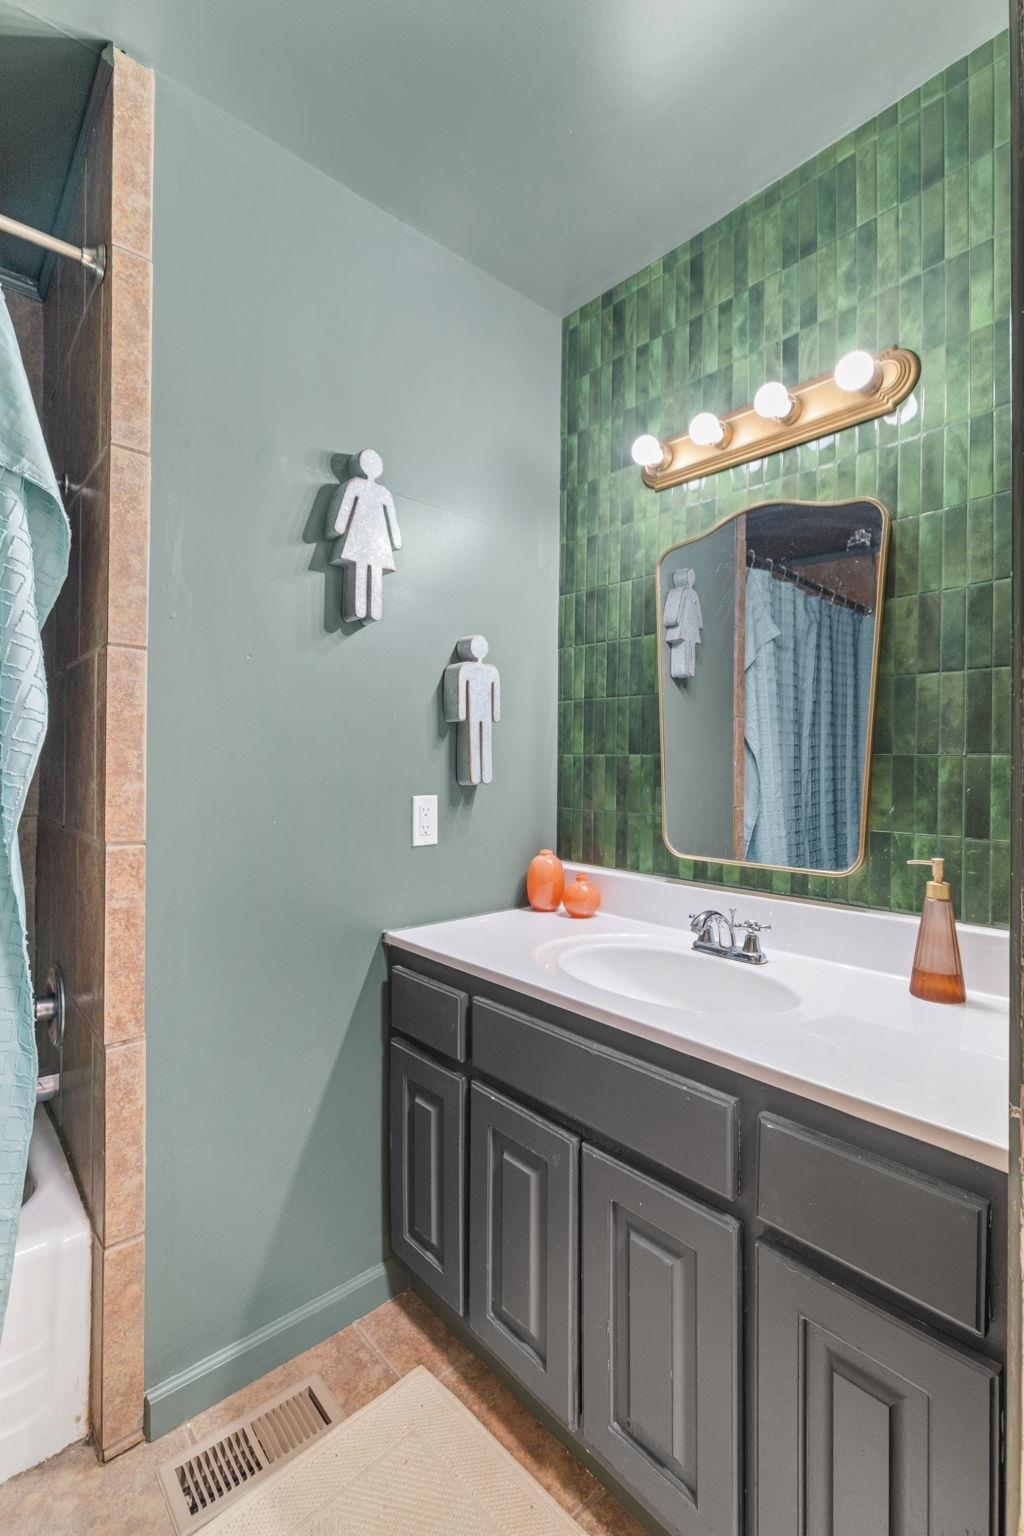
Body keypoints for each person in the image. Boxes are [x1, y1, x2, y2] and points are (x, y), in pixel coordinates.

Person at [326, 448, 402, 622]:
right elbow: (392, 522)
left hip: (365, 538)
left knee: (365, 569)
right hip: (373, 539)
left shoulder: (359, 486)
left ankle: (362, 610)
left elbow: (344, 511)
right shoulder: (379, 491)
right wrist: (396, 542)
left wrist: (337, 528)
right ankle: (364, 610)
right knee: (366, 570)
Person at [443, 636, 501, 784]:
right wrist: (460, 713)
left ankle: (485, 774)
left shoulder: (490, 671)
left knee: (483, 740)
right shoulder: (465, 669)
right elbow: (459, 691)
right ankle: (474, 775)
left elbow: (495, 693)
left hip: (482, 711)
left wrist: (495, 713)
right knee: (473, 738)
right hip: (473, 712)